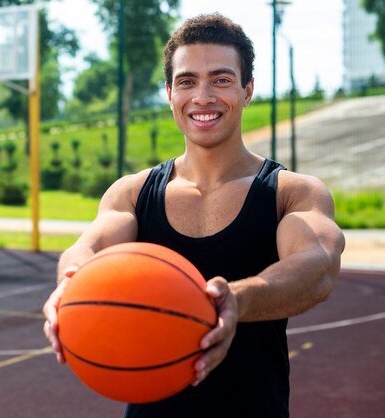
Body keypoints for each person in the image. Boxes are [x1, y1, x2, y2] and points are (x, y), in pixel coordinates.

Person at [43, 13, 345, 418]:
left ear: (247, 89)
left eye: (220, 79)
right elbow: (89, 248)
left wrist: (238, 299)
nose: (202, 96)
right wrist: (70, 284)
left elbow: (317, 265)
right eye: (187, 81)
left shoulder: (291, 192)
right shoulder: (133, 192)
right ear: (170, 93)